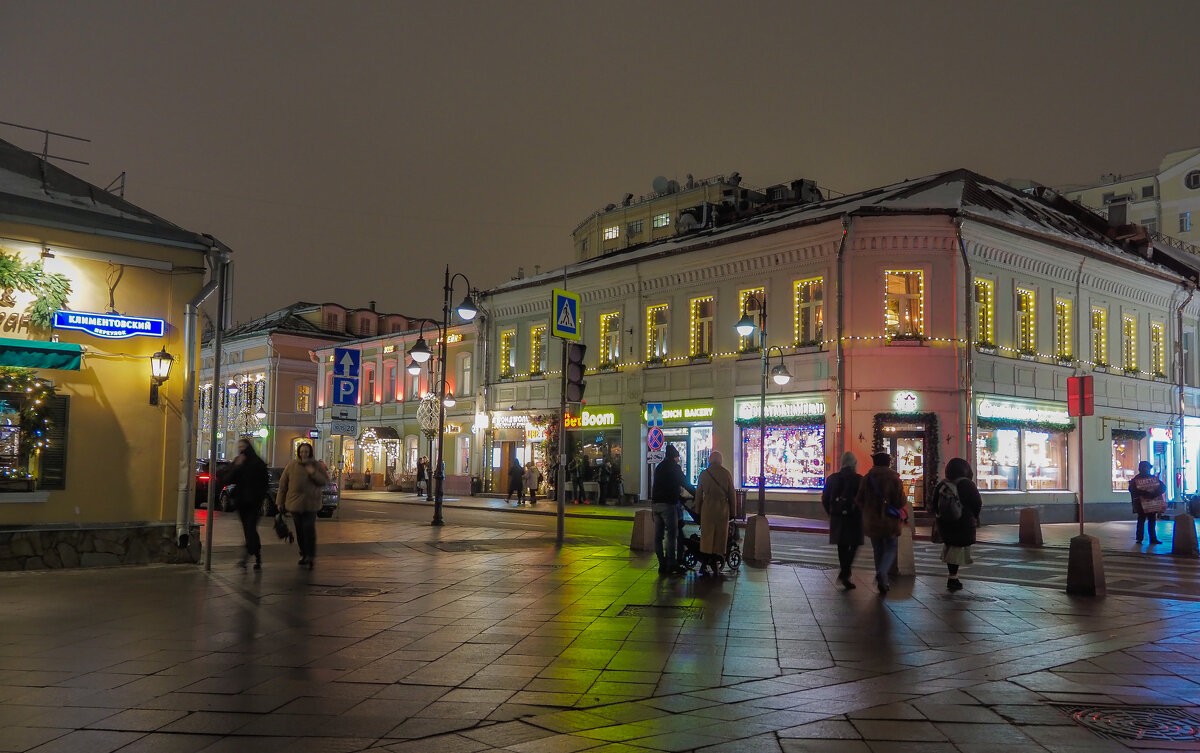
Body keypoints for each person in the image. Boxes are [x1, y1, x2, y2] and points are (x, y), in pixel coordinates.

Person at [855, 451, 907, 593]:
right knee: (890, 547)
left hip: (872, 521)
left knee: (877, 549)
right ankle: (882, 572)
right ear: (888, 463)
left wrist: (869, 509)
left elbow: (859, 500)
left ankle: (882, 580)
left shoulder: (867, 478)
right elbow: (900, 501)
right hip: (890, 520)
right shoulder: (894, 478)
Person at [277, 442, 329, 569]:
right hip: (295, 504)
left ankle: (310, 555)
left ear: (310, 453)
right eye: (301, 452)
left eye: (306, 452)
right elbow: (283, 485)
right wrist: (280, 502)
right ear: (298, 453)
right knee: (300, 530)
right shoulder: (291, 466)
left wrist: (313, 472)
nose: (303, 454)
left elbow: (324, 481)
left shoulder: (316, 465)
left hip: (311, 504)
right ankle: (303, 553)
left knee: (308, 528)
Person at [651, 443, 696, 576]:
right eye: (677, 457)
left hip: (656, 505)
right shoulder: (674, 468)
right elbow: (685, 483)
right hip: (668, 505)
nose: (678, 459)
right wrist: (698, 494)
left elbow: (657, 486)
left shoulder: (659, 467)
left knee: (658, 536)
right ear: (674, 457)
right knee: (672, 535)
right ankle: (671, 564)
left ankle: (662, 564)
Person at [938, 457, 983, 592]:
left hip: (946, 521)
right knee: (957, 548)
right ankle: (953, 577)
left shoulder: (943, 484)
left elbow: (934, 502)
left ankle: (953, 576)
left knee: (951, 546)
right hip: (963, 521)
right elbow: (977, 502)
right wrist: (974, 516)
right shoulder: (967, 484)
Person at [224, 438, 269, 570]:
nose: (241, 449)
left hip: (254, 503)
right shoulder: (239, 461)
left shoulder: (257, 463)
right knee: (249, 530)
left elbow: (264, 483)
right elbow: (228, 479)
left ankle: (248, 556)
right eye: (239, 447)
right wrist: (236, 466)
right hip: (241, 502)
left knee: (250, 529)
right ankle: (256, 555)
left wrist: (259, 498)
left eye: (243, 446)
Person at [821, 451, 863, 590]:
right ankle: (845, 573)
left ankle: (845, 572)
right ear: (854, 464)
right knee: (855, 544)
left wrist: (831, 513)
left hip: (837, 517)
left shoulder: (832, 478)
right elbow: (864, 499)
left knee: (842, 546)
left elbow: (825, 498)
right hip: (854, 517)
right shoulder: (858, 479)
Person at [695, 451, 735, 576]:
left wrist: (697, 510)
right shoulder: (726, 474)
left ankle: (705, 563)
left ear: (710, 460)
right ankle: (715, 564)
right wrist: (733, 512)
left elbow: (698, 494)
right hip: (722, 510)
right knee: (719, 538)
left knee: (707, 537)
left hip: (707, 509)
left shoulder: (704, 474)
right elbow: (732, 494)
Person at [1129, 460, 1165, 545]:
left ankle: (1152, 538)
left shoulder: (1153, 479)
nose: (1146, 469)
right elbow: (1132, 490)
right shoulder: (1136, 480)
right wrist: (1144, 493)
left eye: (1147, 467)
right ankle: (1140, 538)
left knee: (1151, 521)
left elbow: (1163, 487)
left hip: (1152, 503)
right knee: (1141, 521)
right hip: (1141, 504)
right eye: (1144, 467)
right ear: (1140, 468)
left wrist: (1154, 494)